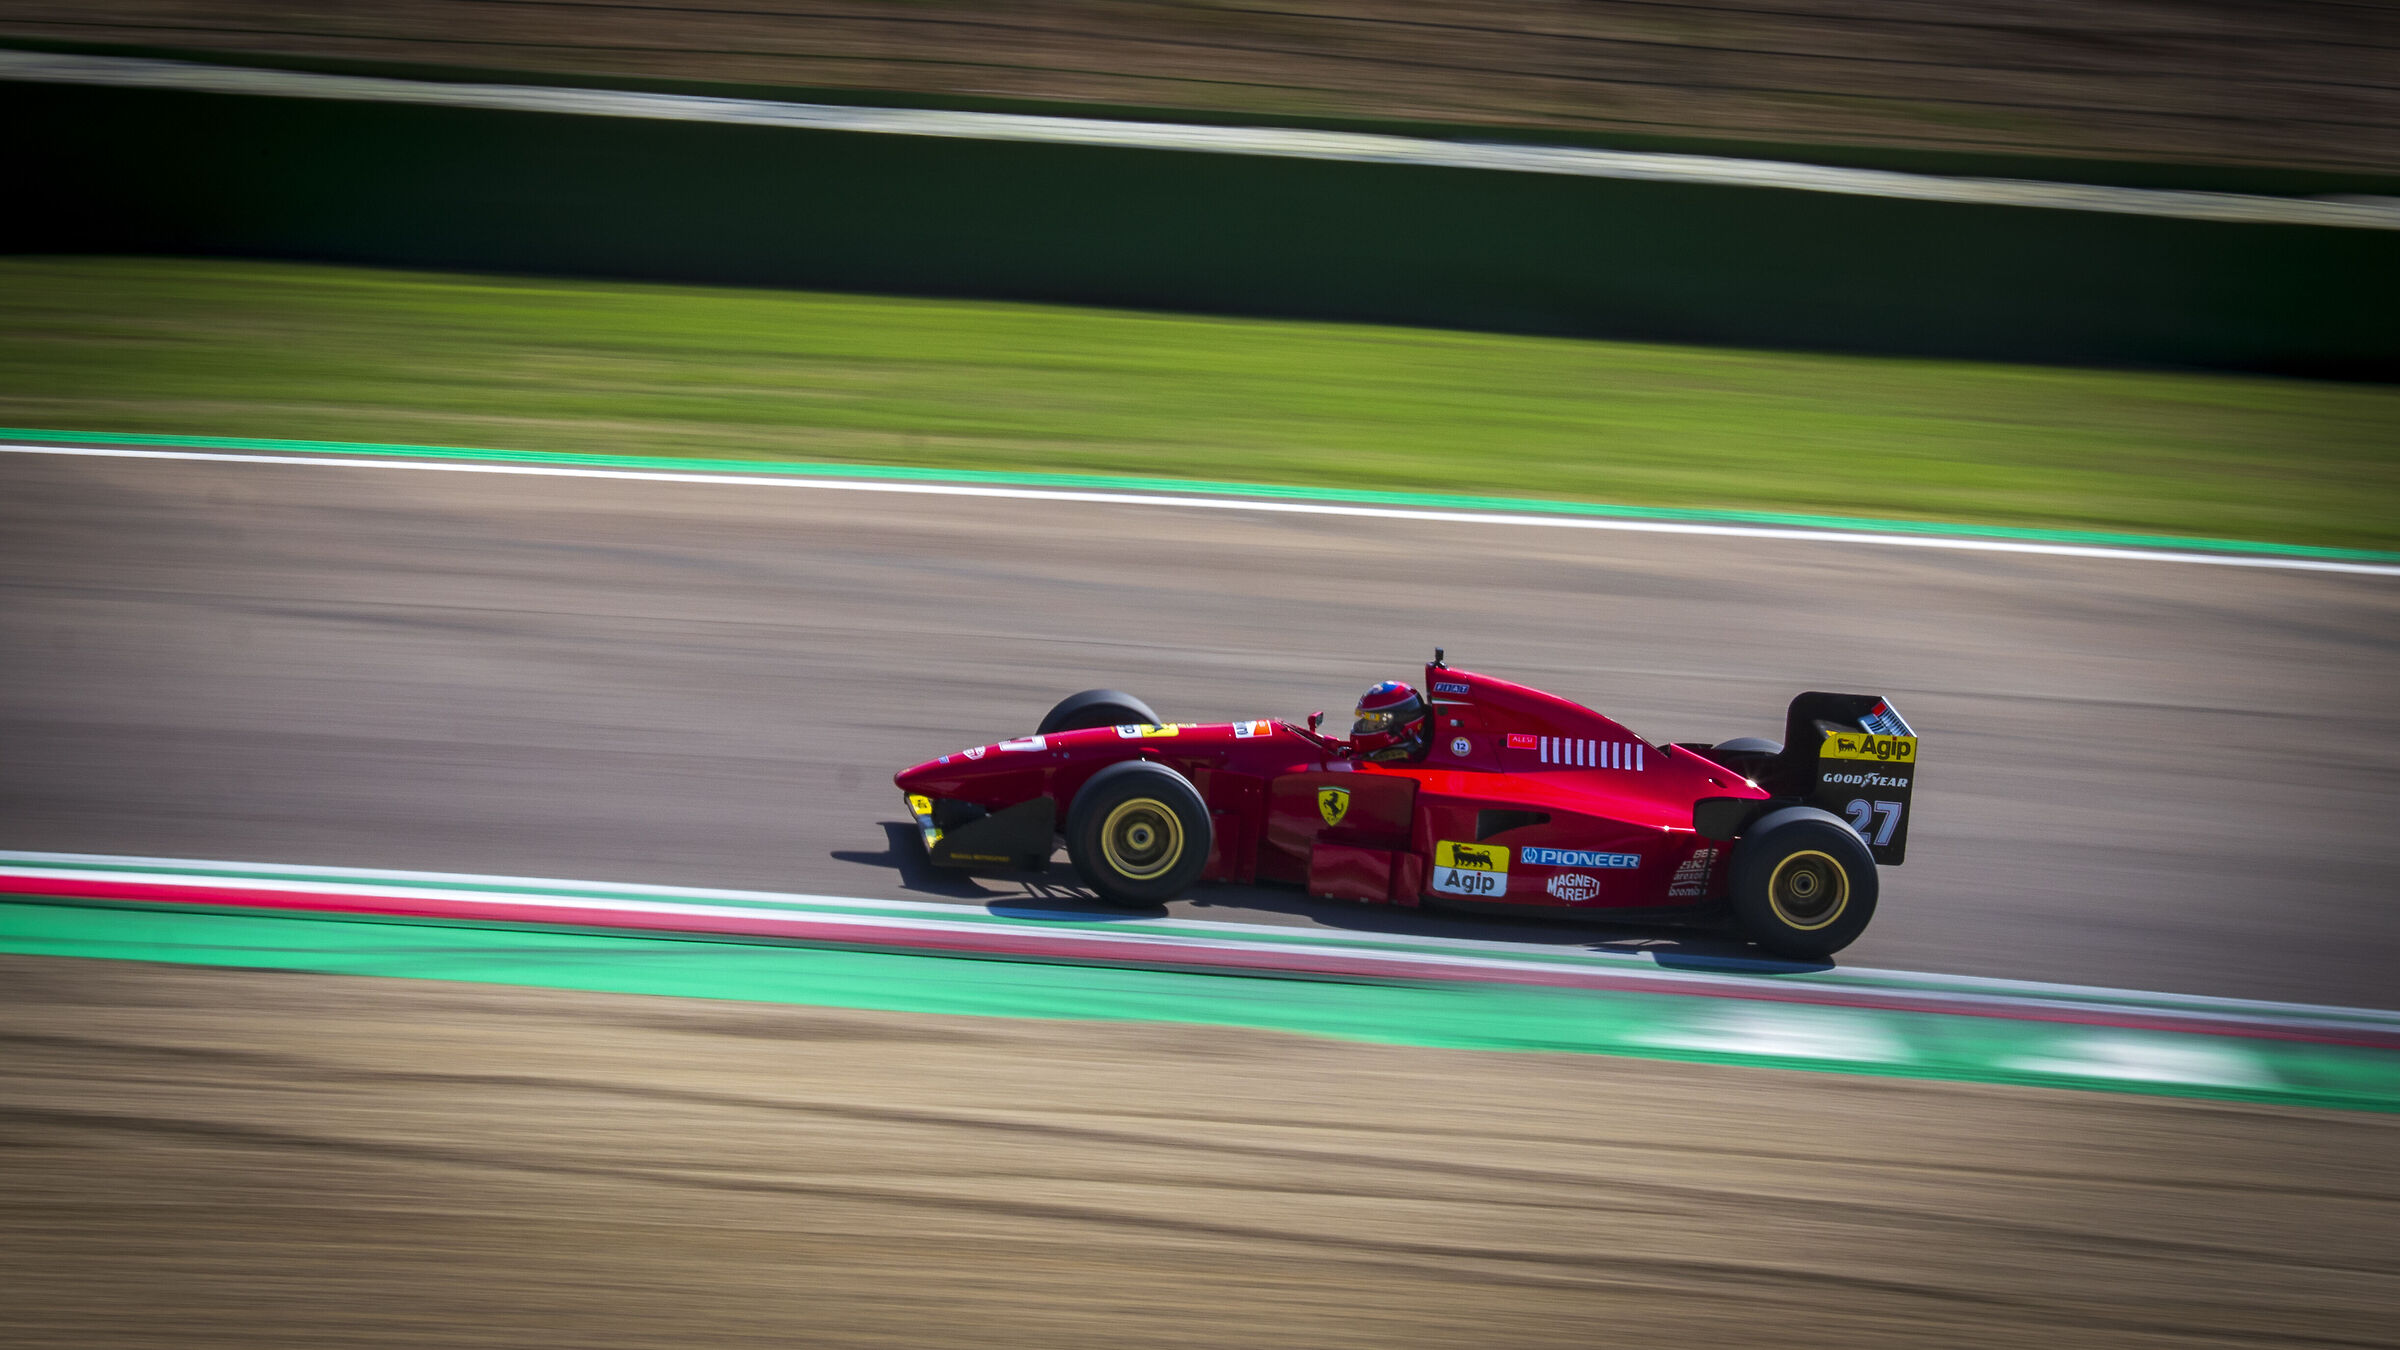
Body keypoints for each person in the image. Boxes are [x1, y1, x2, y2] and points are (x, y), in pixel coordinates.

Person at [1348, 680, 1430, 762]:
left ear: (1396, 726)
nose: (1363, 725)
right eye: (1364, 719)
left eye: (1371, 719)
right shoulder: (1372, 754)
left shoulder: (1395, 763)